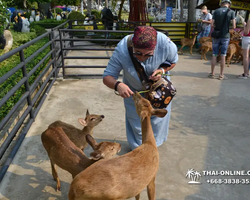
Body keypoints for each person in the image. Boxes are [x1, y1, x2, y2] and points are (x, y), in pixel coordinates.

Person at [103, 26, 178, 150]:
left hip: (160, 91)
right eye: (138, 53)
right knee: (137, 123)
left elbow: (173, 61)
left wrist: (162, 70)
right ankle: (138, 150)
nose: (142, 57)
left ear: (155, 47)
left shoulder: (166, 44)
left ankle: (153, 148)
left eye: (148, 55)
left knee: (158, 121)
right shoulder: (122, 49)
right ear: (132, 45)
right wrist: (118, 85)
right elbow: (107, 76)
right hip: (134, 92)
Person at [208, 0, 236, 80]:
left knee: (214, 54)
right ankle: (221, 75)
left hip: (216, 35)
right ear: (229, 5)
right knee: (223, 55)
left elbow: (212, 24)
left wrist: (217, 27)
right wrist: (227, 28)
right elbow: (234, 26)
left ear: (222, 4)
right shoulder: (231, 12)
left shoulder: (216, 11)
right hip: (225, 36)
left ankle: (212, 73)